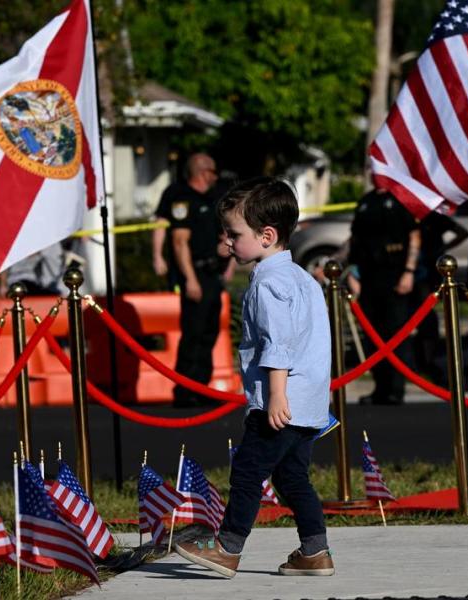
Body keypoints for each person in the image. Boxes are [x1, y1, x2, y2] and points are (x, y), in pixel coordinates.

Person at [174, 177, 334, 578]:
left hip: (279, 403)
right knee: (293, 476)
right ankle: (315, 551)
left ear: (266, 235)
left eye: (233, 235)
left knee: (247, 470)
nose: (226, 243)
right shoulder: (302, 279)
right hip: (309, 403)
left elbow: (278, 344)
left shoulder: (268, 283)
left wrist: (276, 395)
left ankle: (228, 547)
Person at [160, 153, 231, 407]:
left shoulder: (212, 198)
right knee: (193, 333)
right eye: (213, 172)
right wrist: (189, 279)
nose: (215, 177)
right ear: (203, 172)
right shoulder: (182, 198)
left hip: (213, 274)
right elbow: (180, 243)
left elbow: (223, 234)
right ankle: (185, 389)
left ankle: (202, 386)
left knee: (209, 333)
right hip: (195, 273)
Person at [347, 187, 421, 405]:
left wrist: (409, 272)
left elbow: (414, 237)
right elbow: (355, 239)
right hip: (369, 277)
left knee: (395, 333)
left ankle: (395, 389)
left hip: (395, 275)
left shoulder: (401, 198)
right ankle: (380, 387)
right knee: (373, 336)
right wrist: (352, 271)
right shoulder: (366, 201)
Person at [413, 208, 468, 379]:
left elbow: (463, 233)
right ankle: (422, 360)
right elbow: (462, 233)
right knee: (420, 317)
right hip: (421, 271)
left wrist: (442, 248)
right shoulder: (425, 216)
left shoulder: (432, 217)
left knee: (426, 317)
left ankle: (426, 361)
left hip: (425, 271)